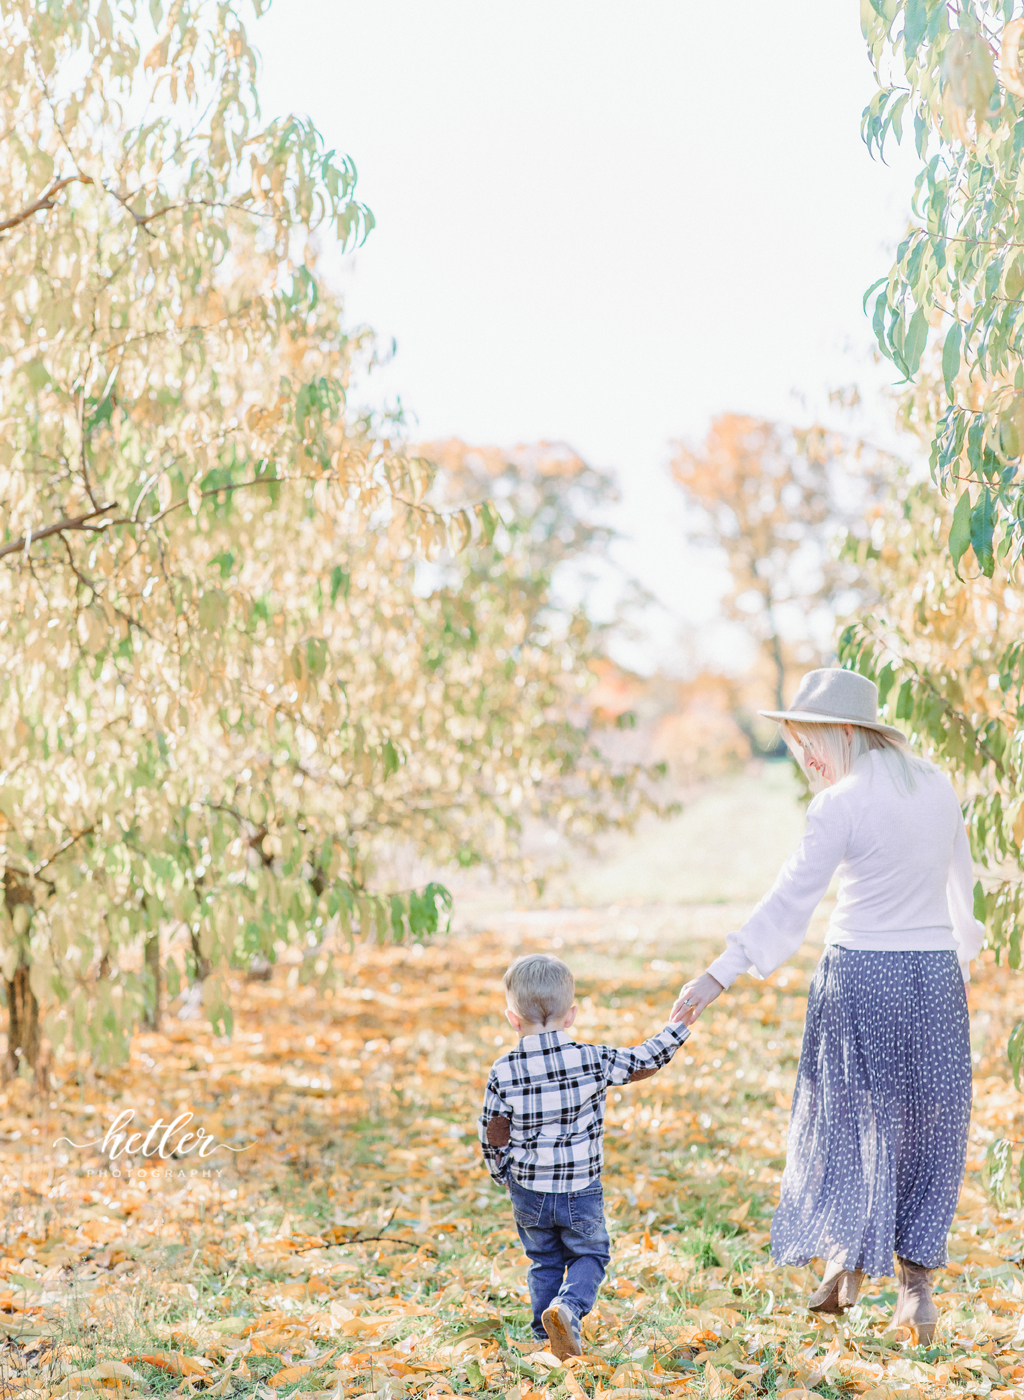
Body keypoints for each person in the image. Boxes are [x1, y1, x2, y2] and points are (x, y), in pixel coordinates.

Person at [670, 668, 983, 1345]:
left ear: (846, 731)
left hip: (861, 974)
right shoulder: (935, 782)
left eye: (809, 741)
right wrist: (961, 955)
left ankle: (847, 1264)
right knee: (928, 1126)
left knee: (845, 1122)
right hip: (932, 975)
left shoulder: (839, 802)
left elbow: (791, 899)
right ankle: (914, 1292)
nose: (805, 757)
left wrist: (718, 975)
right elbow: (964, 882)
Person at [479, 953, 689, 1359]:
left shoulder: (503, 1070)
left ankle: (545, 1335)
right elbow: (644, 1061)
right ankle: (568, 1309)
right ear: (571, 1014)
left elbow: (493, 1131)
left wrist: (500, 1172)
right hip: (580, 1189)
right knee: (590, 1253)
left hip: (528, 1189)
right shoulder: (591, 1059)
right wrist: (677, 1027)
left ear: (512, 1018)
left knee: (543, 1259)